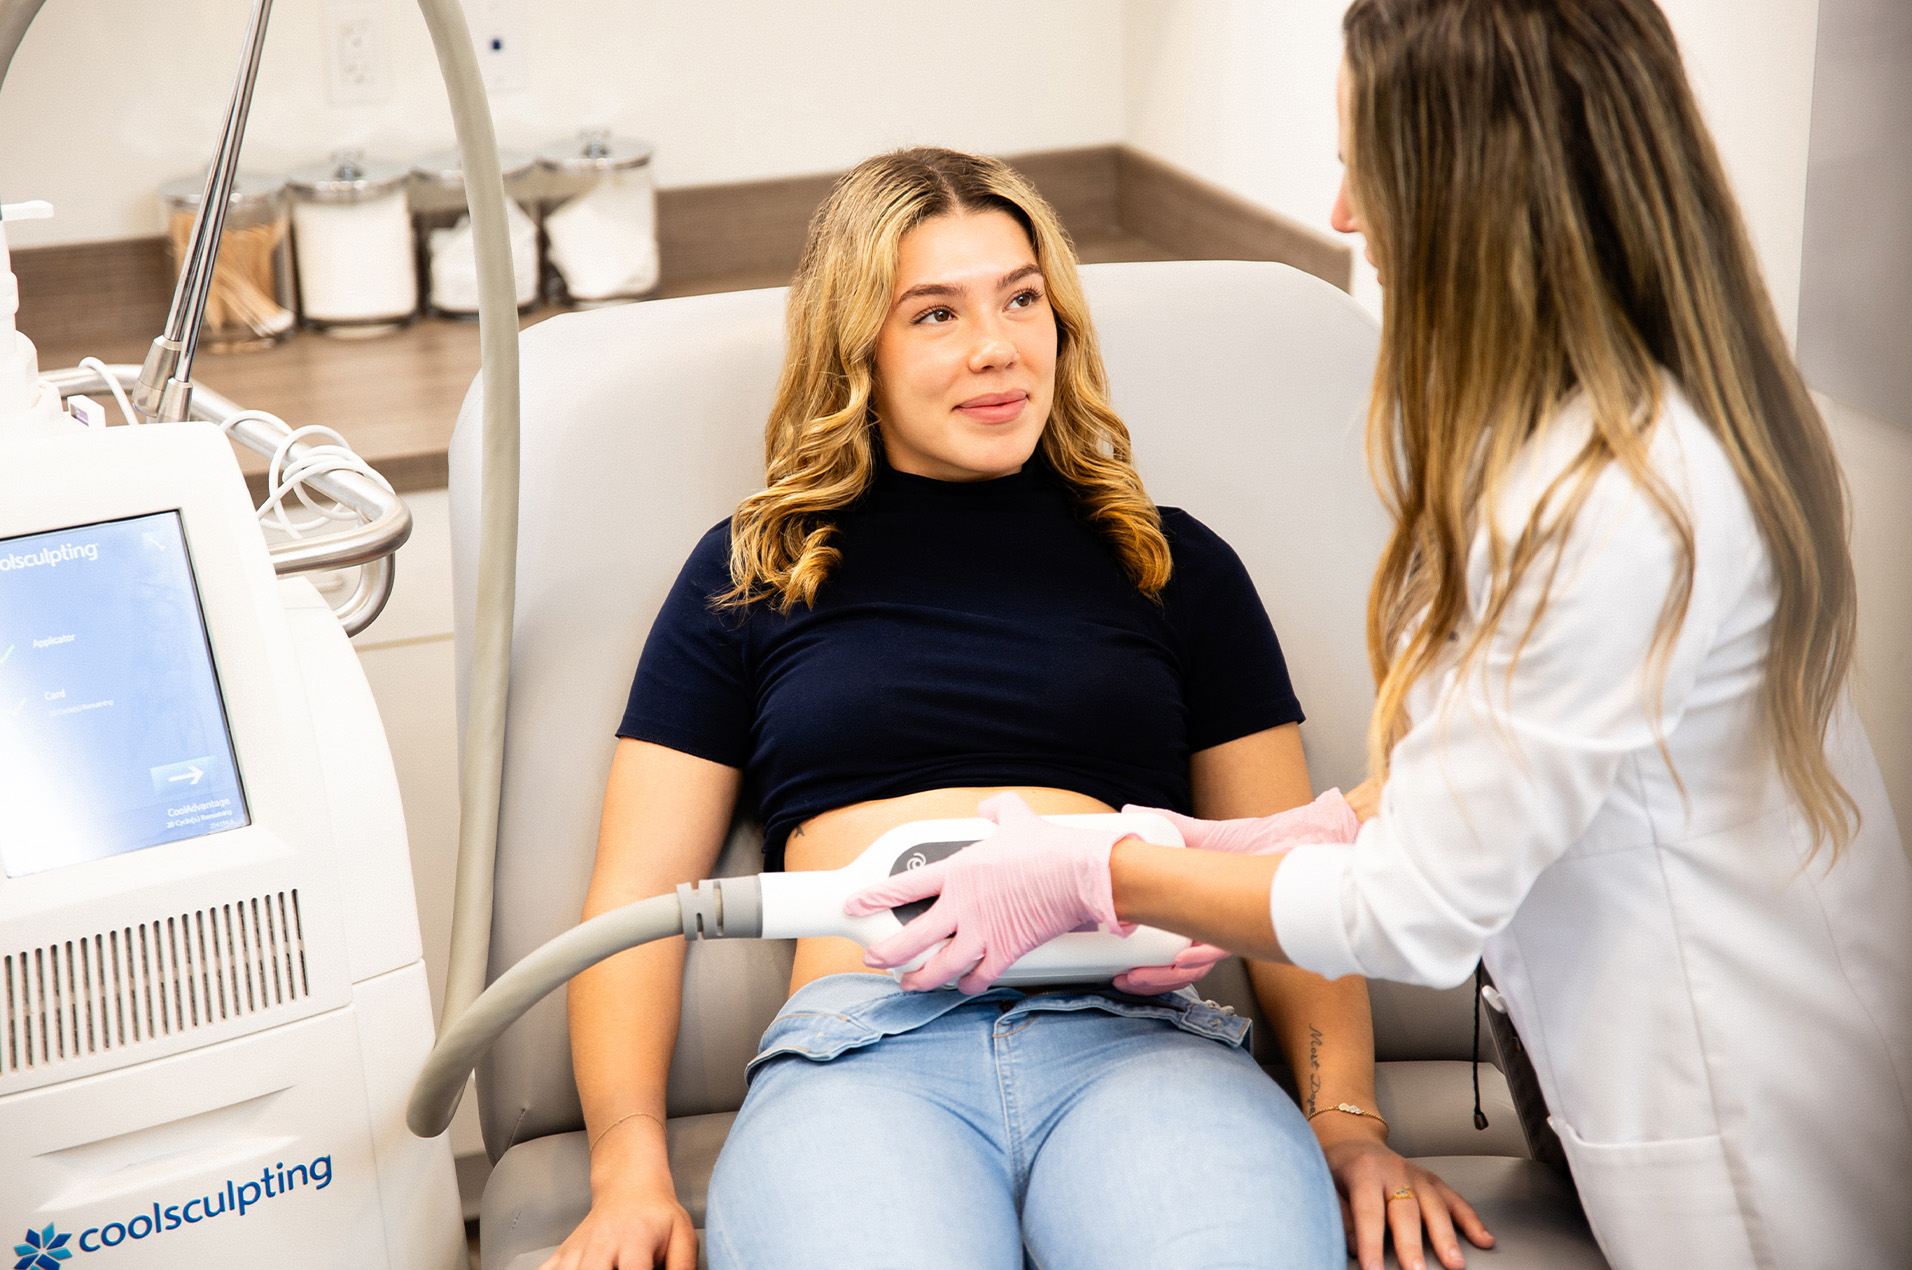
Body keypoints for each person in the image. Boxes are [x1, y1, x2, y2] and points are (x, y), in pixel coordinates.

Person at [851, 5, 1912, 1269]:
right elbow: (1499, 770)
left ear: (1472, 185)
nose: (1344, 212)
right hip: (1667, 1049)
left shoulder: (1612, 507)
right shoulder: (1594, 440)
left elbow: (1416, 912)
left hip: (1733, 1101)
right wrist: (1278, 835)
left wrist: (1104, 873)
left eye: (1363, 162)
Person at [545, 146, 1485, 1270]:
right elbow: (639, 897)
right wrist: (629, 1170)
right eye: (934, 313)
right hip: (863, 1054)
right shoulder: (755, 573)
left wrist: (1345, 1125)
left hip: (1142, 1049)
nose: (996, 346)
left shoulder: (1172, 565)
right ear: (860, 352)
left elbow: (1292, 876)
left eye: (1021, 298)